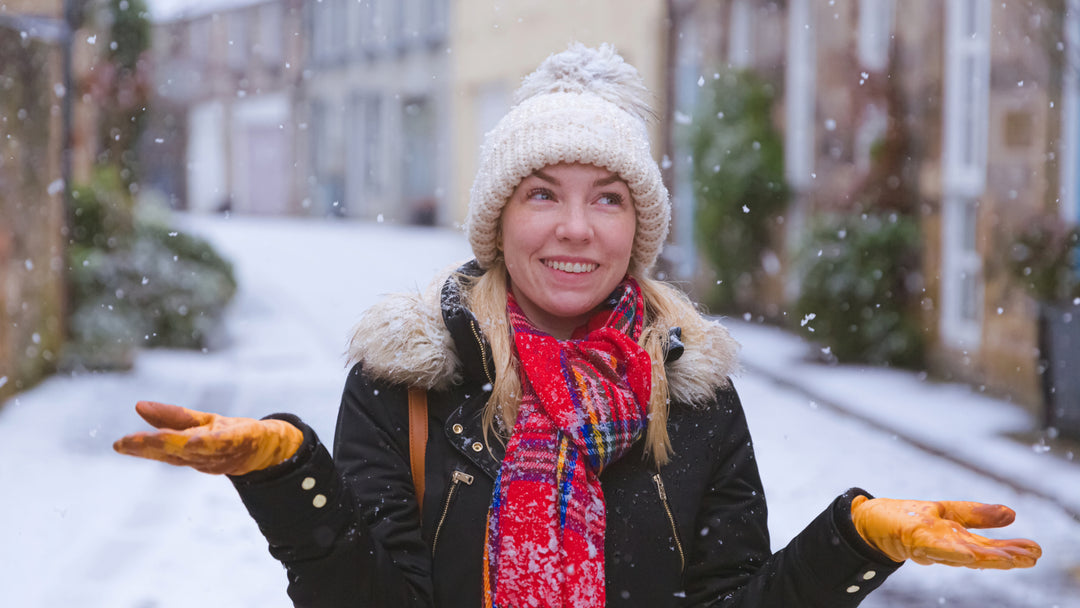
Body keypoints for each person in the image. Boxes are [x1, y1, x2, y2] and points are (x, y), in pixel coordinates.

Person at [114, 43, 1041, 607]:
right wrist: (288, 479)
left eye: (608, 198)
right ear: (497, 220)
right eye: (542, 194)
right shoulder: (406, 381)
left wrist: (858, 539)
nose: (574, 228)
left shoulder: (694, 395)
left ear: (638, 228)